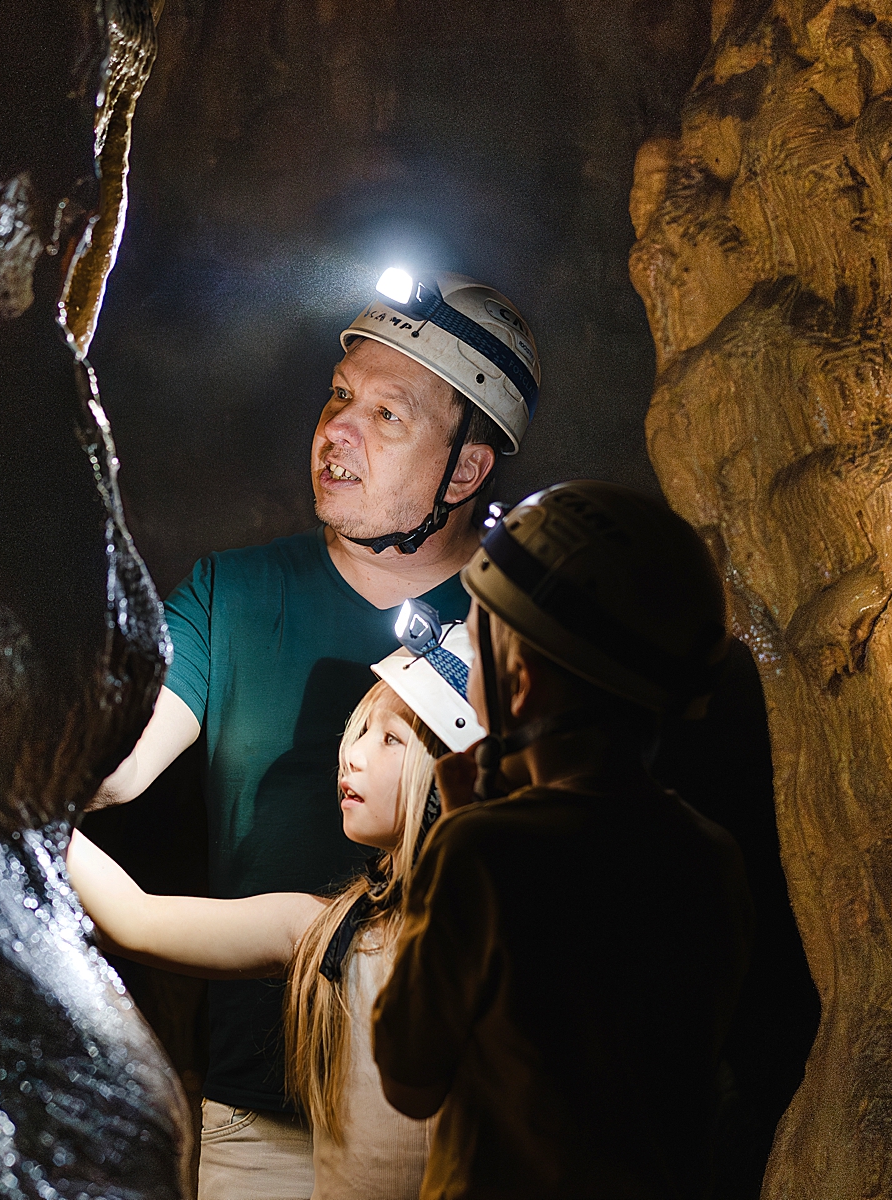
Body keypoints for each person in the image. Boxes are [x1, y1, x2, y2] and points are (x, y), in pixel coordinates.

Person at [89, 270, 543, 1199]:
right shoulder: (236, 594)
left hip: (471, 1133)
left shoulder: (528, 628)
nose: (336, 430)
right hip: (262, 1121)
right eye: (341, 397)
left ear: (464, 469)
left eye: (387, 415)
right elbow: (115, 765)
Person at [371, 480, 756, 1199]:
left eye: (478, 639)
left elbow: (409, 1077)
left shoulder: (481, 852)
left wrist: (457, 832)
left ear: (521, 682)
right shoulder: (708, 854)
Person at [69, 621, 485, 1198]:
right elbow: (134, 917)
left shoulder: (503, 942)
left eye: (391, 739)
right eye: (360, 731)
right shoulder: (326, 930)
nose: (352, 756)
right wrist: (5, 792)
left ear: (458, 772)